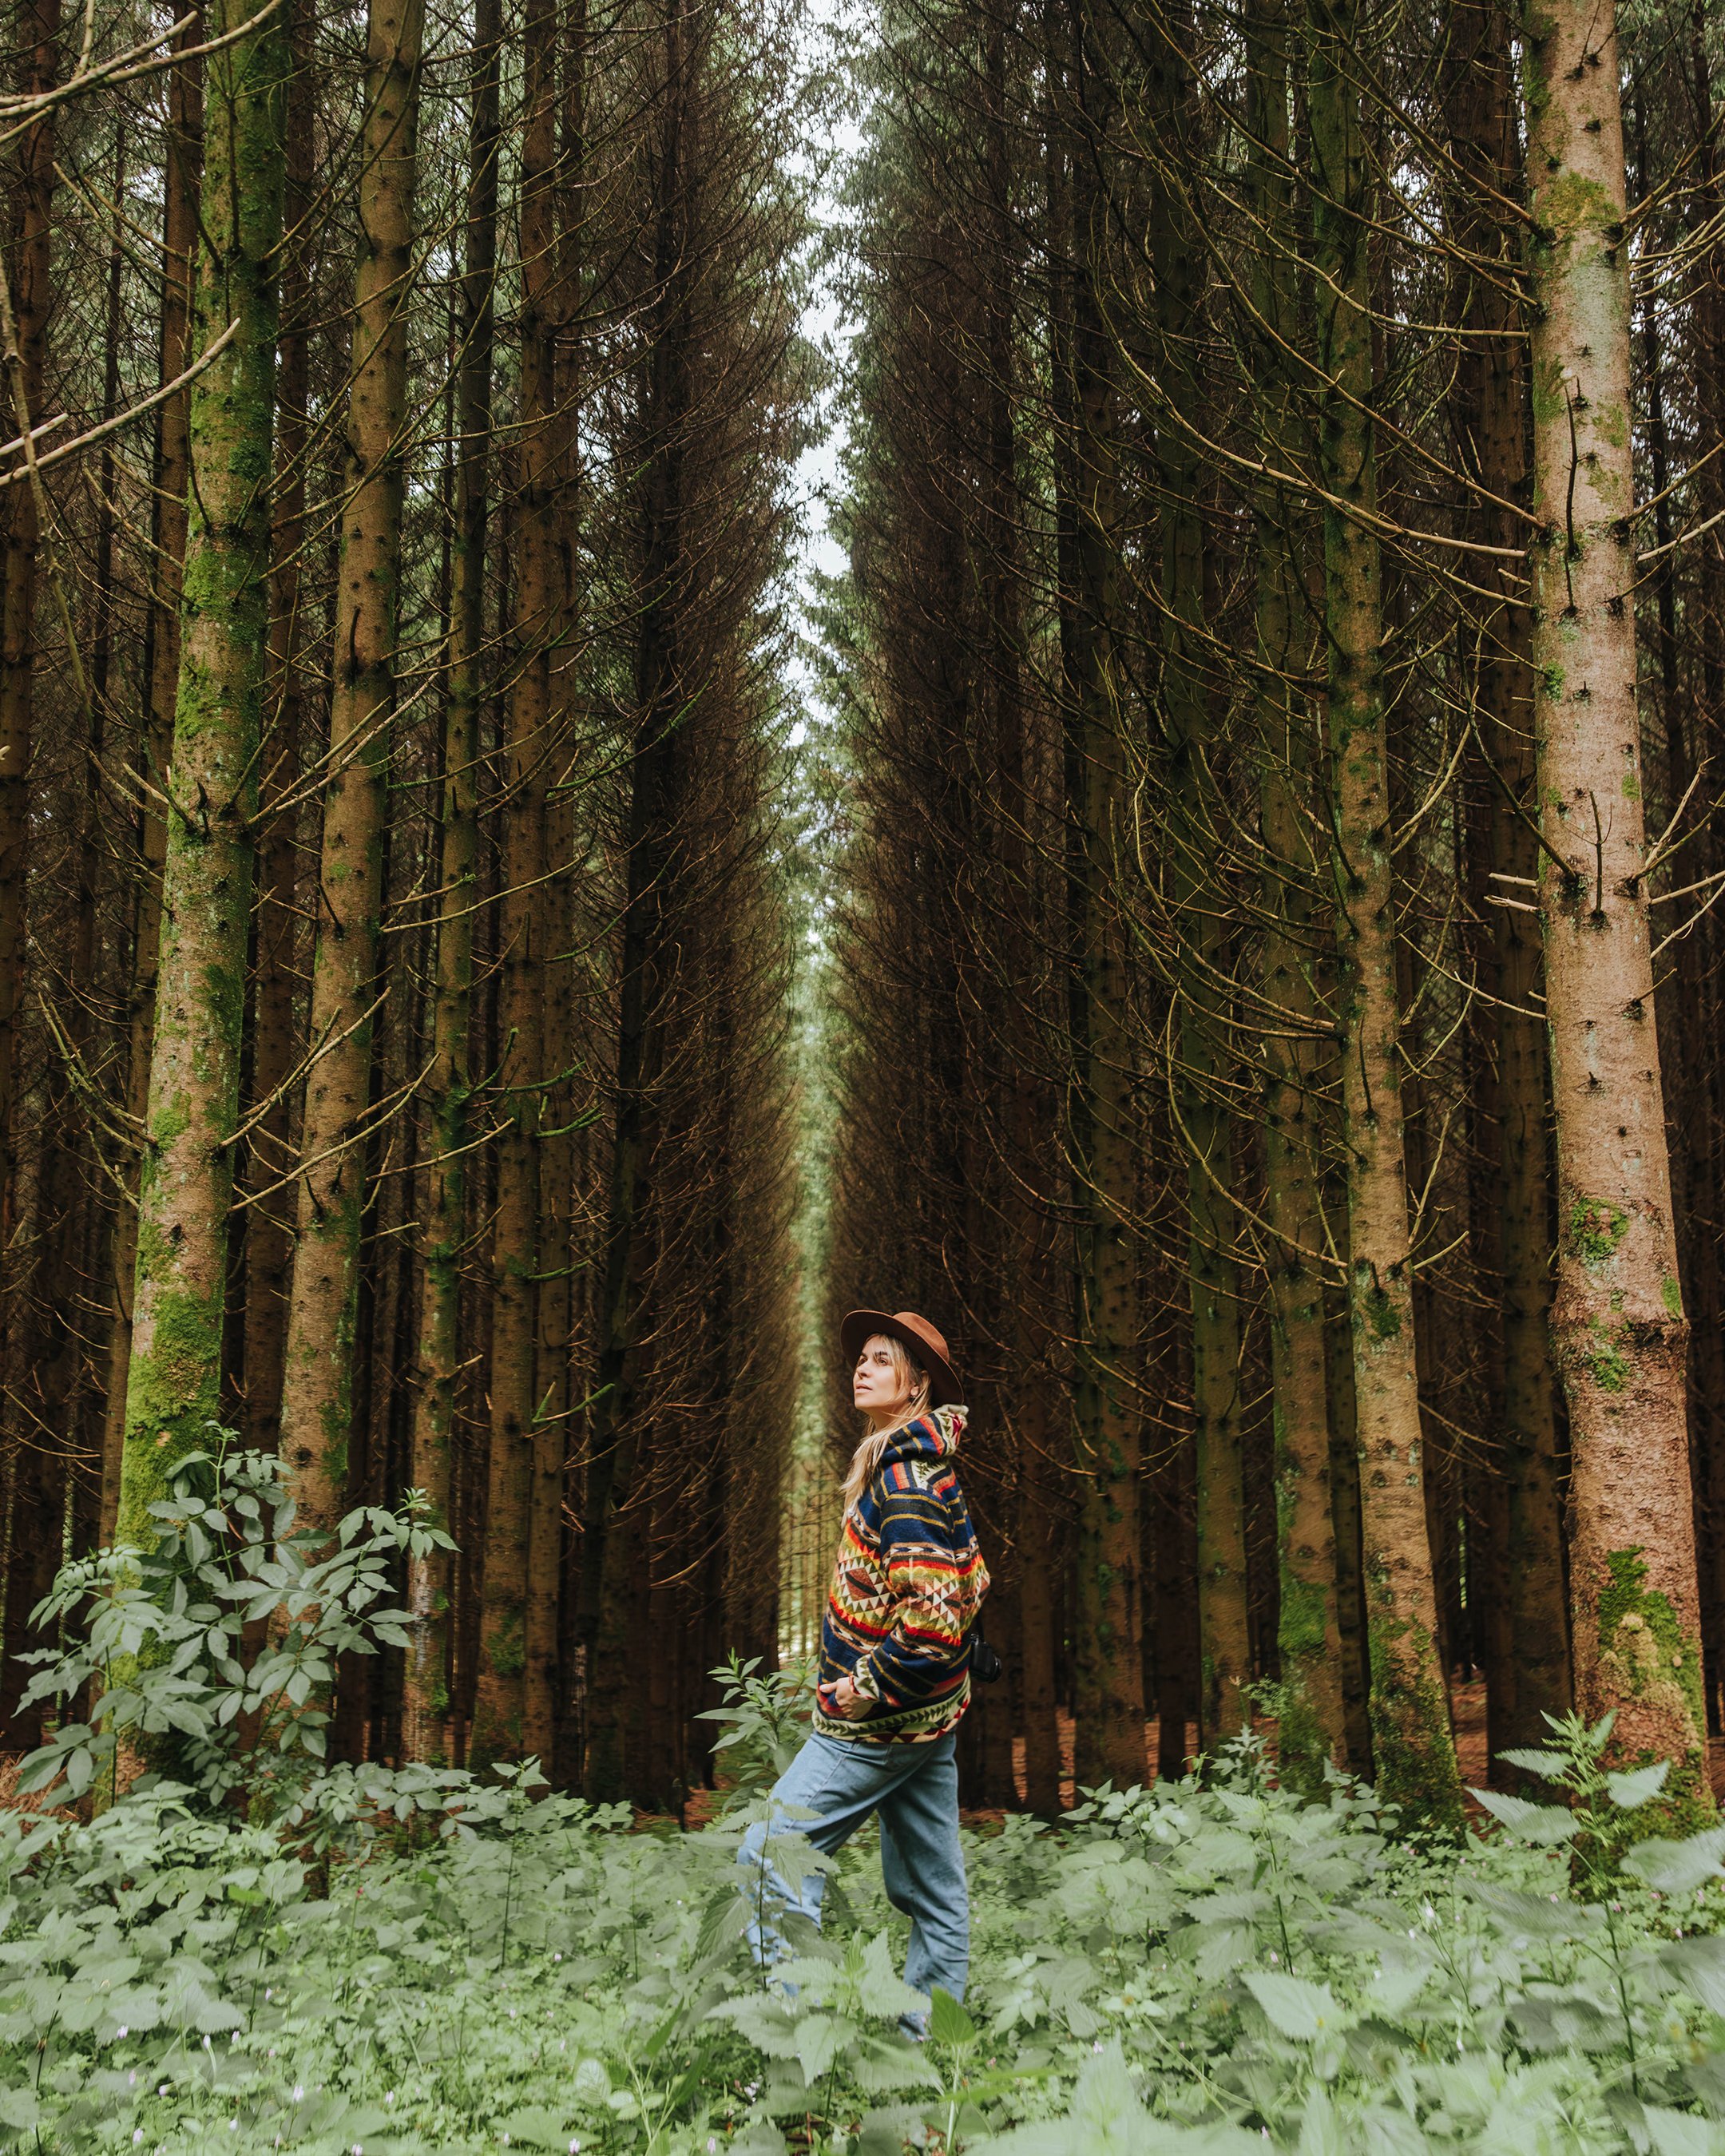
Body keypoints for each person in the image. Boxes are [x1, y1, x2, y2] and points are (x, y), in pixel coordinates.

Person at [741, 1308, 990, 2033]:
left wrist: (866, 1685)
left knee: (771, 1854)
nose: (862, 1368)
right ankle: (931, 2046)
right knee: (934, 1893)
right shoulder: (914, 1468)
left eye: (883, 1360)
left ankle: (795, 2040)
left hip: (874, 1726)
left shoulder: (906, 1481)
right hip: (926, 1722)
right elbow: (970, 1582)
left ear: (916, 1386)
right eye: (862, 1358)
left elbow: (936, 1618)